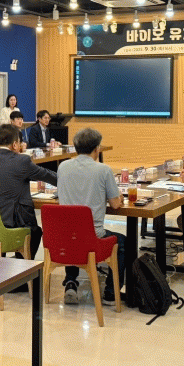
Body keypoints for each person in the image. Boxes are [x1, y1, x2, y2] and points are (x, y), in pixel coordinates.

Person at [57, 128, 123, 305]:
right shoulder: (103, 170)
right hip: (93, 236)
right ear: (97, 149)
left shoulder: (63, 167)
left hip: (65, 236)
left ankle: (71, 282)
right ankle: (111, 293)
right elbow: (115, 204)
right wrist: (120, 196)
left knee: (74, 231)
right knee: (124, 243)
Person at [0, 124, 57, 261]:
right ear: (14, 144)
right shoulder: (21, 160)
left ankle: (1, 264)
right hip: (10, 225)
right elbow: (47, 175)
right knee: (35, 232)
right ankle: (21, 269)